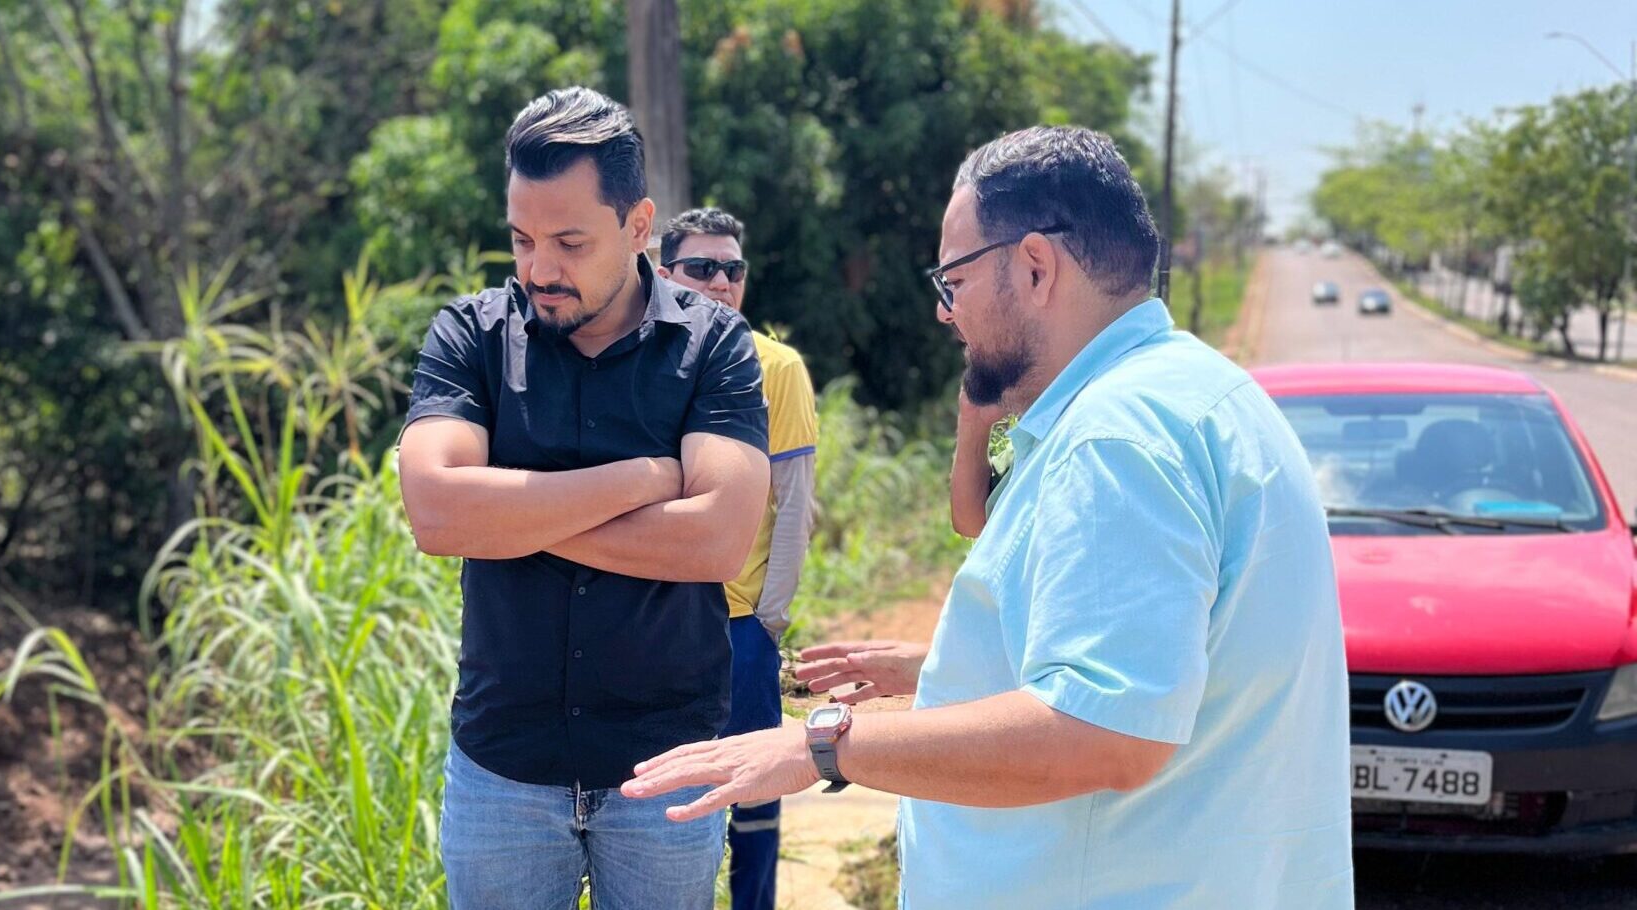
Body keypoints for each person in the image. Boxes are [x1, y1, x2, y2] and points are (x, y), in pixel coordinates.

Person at [622, 125, 1354, 908]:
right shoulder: (1207, 394)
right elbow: (1164, 666)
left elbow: (1105, 734)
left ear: (1036, 266)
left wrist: (823, 745)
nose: (946, 314)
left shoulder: (1114, 439)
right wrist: (952, 669)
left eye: (955, 281)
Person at [397, 87, 772, 910]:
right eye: (522, 239)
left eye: (569, 242)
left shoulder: (714, 346)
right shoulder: (471, 336)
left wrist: (508, 518)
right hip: (503, 770)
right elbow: (436, 513)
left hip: (666, 768)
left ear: (639, 227)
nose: (539, 268)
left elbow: (718, 541)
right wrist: (644, 478)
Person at [657, 207, 817, 910]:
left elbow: (795, 505)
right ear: (664, 274)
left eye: (733, 269)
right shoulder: (636, 364)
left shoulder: (776, 367)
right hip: (649, 623)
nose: (720, 282)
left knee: (752, 803)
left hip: (738, 626)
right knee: (659, 800)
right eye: (702, 268)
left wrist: (767, 622)